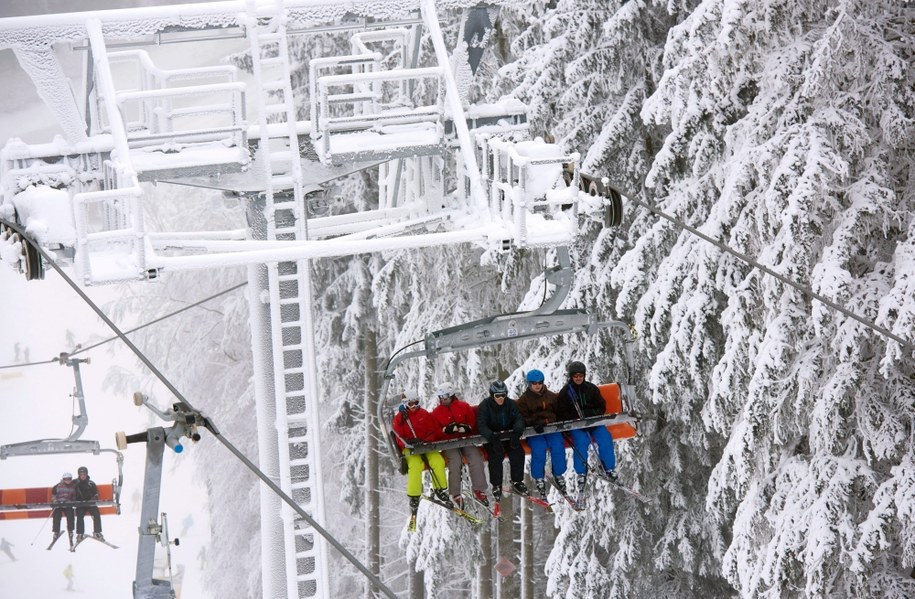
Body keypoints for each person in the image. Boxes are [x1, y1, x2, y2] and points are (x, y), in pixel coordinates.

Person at [557, 361, 617, 493]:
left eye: (580, 375)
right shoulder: (566, 392)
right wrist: (575, 418)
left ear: (584, 376)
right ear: (571, 377)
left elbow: (601, 405)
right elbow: (561, 412)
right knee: (581, 442)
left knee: (605, 438)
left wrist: (592, 414)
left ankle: (608, 467)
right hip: (577, 425)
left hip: (593, 422)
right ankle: (581, 472)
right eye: (575, 376)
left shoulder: (591, 388)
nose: (578, 378)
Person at [391, 391, 451, 515]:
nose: (413, 406)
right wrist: (409, 442)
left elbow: (433, 430)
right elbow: (398, 438)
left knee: (437, 460)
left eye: (416, 403)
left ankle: (439, 488)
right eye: (410, 404)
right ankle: (414, 496)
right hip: (410, 449)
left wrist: (426, 441)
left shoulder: (424, 414)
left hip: (425, 446)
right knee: (415, 464)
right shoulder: (400, 418)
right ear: (405, 403)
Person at [430, 383, 489, 507]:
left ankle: (479, 489)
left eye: (445, 396)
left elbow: (472, 422)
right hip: (449, 443)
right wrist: (445, 431)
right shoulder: (437, 412)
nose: (443, 399)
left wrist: (466, 428)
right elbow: (435, 431)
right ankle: (455, 493)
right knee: (455, 461)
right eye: (440, 396)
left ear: (452, 395)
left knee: (475, 457)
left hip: (464, 439)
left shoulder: (463, 406)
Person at [516, 369, 568, 498]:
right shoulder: (524, 400)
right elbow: (521, 418)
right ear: (529, 384)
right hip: (534, 431)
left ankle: (558, 473)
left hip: (550, 428)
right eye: (534, 383)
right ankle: (539, 477)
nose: (537, 385)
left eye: (539, 382)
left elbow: (559, 413)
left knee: (557, 445)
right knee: (539, 449)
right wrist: (533, 422)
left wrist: (553, 422)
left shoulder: (550, 396)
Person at [476, 380, 527, 499]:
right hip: (492, 437)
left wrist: (517, 432)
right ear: (492, 395)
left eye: (503, 395)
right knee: (495, 456)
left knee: (517, 452)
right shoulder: (485, 406)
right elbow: (481, 424)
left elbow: (518, 418)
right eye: (497, 396)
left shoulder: (510, 404)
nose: (500, 398)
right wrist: (492, 438)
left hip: (509, 435)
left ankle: (517, 481)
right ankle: (496, 484)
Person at [74, 466, 104, 541]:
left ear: (87, 474)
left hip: (90, 503)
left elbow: (96, 493)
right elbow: (67, 487)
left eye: (84, 474)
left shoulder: (91, 483)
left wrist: (93, 498)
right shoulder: (75, 483)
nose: (83, 476)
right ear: (79, 475)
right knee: (80, 515)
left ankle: (97, 532)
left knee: (96, 514)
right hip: (80, 504)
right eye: (81, 474)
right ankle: (80, 533)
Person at [51, 472, 77, 547]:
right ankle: (56, 531)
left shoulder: (73, 487)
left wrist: (73, 502)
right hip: (59, 504)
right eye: (66, 479)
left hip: (68, 504)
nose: (68, 481)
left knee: (70, 516)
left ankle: (70, 530)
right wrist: (55, 501)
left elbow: (74, 496)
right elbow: (53, 495)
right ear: (63, 479)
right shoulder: (57, 486)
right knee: (56, 516)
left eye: (69, 479)